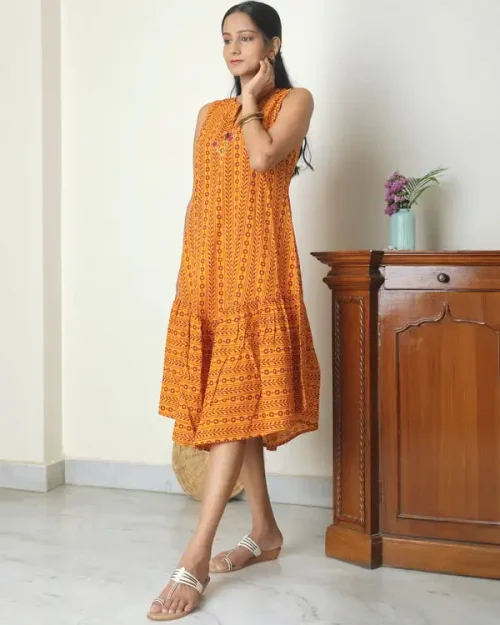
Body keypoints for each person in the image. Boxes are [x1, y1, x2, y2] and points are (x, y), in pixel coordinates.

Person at [148, 1, 320, 620]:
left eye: (246, 38)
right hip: (208, 268)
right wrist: (192, 268)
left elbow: (263, 159)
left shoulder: (293, 101)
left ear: (272, 45)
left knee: (234, 400)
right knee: (237, 402)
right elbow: (205, 195)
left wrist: (250, 101)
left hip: (258, 266)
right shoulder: (207, 114)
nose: (233, 49)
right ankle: (265, 532)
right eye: (226, 39)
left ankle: (196, 553)